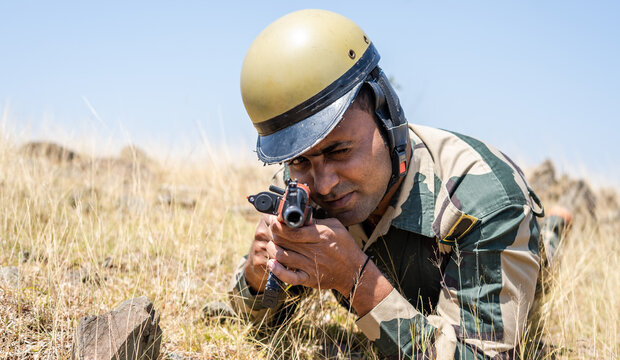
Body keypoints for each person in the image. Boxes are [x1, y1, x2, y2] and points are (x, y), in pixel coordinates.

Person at [228, 9, 548, 359]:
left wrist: (354, 279)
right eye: (300, 160)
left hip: (514, 245)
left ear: (387, 114)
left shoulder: (485, 204)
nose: (324, 184)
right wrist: (259, 280)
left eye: (340, 150)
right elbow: (256, 327)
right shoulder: (301, 191)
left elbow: (483, 354)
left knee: (550, 241)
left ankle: (556, 224)